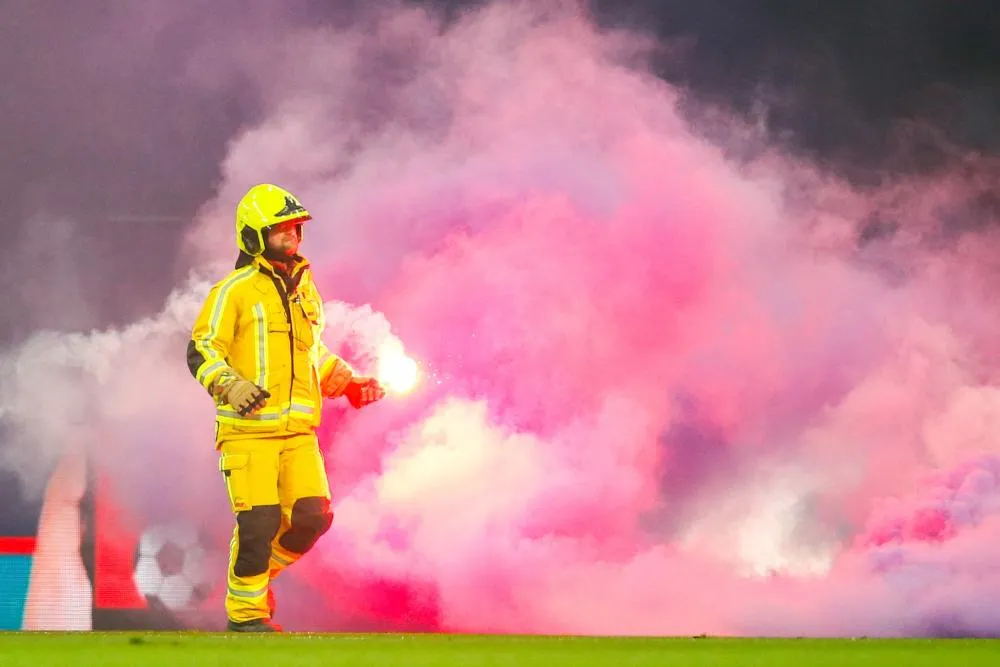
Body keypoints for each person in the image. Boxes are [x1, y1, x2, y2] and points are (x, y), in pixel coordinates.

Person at [186, 183, 385, 632]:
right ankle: (247, 616)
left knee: (314, 517)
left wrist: (350, 384)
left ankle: (254, 580)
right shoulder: (233, 291)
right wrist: (231, 386)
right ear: (254, 236)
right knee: (259, 525)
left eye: (295, 227)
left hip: (297, 434)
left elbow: (311, 354)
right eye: (281, 228)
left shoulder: (305, 292)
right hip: (248, 433)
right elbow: (201, 351)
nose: (292, 234)